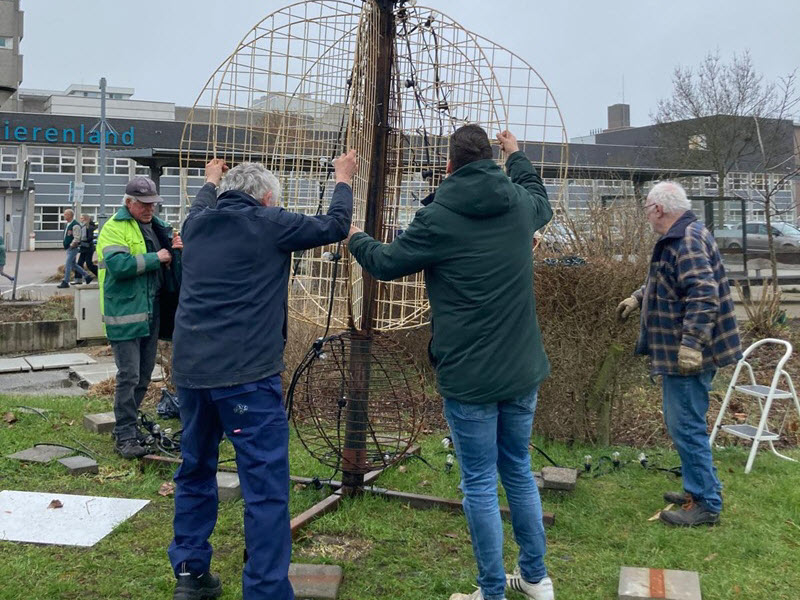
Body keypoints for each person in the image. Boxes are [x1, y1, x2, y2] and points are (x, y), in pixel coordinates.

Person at [347, 125, 554, 600]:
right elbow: (538, 193)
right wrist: (517, 155)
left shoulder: (439, 217)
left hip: (469, 375)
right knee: (517, 470)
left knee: (479, 482)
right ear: (491, 160)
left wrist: (355, 237)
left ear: (448, 165)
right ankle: (538, 580)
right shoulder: (520, 205)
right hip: (522, 368)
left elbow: (384, 261)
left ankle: (491, 590)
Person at [168, 152, 356, 600]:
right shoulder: (270, 224)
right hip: (247, 377)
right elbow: (335, 225)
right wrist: (343, 179)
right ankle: (266, 590)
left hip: (192, 374)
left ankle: (191, 574)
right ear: (268, 198)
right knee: (265, 486)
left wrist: (212, 179)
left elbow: (200, 202)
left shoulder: (197, 225)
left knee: (195, 469)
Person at [616, 181, 742, 527]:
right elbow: (668, 280)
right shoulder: (685, 233)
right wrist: (638, 297)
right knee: (683, 422)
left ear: (657, 209)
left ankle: (705, 503)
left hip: (687, 354)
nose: (647, 217)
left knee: (686, 425)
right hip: (681, 350)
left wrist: (691, 344)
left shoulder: (685, 239)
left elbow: (703, 293)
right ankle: (696, 487)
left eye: (646, 210)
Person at [96, 176, 183, 459]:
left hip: (150, 310)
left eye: (153, 204)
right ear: (129, 202)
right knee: (129, 376)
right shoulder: (113, 228)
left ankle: (129, 428)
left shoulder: (157, 228)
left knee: (144, 375)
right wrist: (157, 257)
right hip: (124, 313)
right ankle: (124, 435)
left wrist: (176, 251)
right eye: (144, 204)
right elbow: (119, 266)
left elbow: (169, 262)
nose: (149, 209)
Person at [57, 208, 92, 288]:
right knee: (73, 265)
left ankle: (66, 281)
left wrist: (71, 245)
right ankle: (87, 276)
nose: (64, 215)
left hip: (73, 248)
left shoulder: (75, 225)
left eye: (65, 214)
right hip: (69, 247)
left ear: (70, 215)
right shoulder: (68, 224)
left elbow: (77, 237)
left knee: (68, 264)